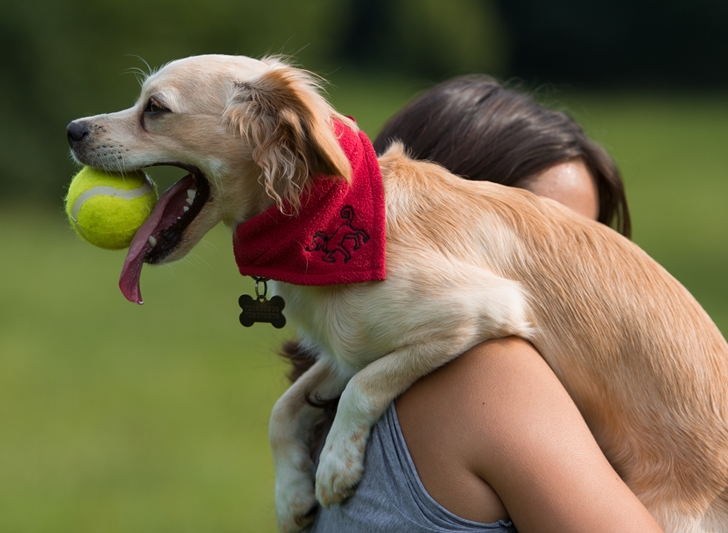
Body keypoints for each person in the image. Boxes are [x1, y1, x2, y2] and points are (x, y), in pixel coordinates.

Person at [281, 76, 662, 532]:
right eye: (538, 237)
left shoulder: (334, 406)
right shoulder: (490, 374)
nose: (575, 283)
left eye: (589, 246)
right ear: (426, 211)